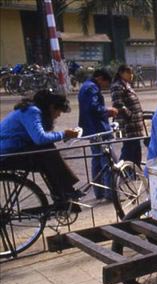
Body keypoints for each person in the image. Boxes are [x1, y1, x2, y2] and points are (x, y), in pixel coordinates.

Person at [0, 90, 80, 206]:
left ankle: (63, 194)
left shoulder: (31, 109)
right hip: (6, 155)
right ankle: (66, 192)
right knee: (47, 150)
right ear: (52, 107)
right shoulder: (32, 111)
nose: (58, 115)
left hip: (12, 150)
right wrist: (64, 134)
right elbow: (40, 138)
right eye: (59, 111)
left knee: (47, 154)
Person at [78, 68, 118, 200]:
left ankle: (99, 192)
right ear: (100, 78)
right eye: (105, 83)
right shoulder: (92, 88)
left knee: (97, 160)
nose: (105, 86)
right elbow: (94, 108)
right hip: (99, 128)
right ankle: (110, 193)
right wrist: (108, 110)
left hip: (92, 129)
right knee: (107, 161)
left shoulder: (85, 86)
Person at [111, 64, 145, 165]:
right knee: (129, 150)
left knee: (136, 151)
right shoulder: (117, 86)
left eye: (132, 73)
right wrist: (130, 115)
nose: (131, 75)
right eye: (128, 73)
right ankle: (123, 172)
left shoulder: (126, 84)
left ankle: (135, 172)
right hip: (128, 125)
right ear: (121, 73)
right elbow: (118, 104)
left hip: (134, 125)